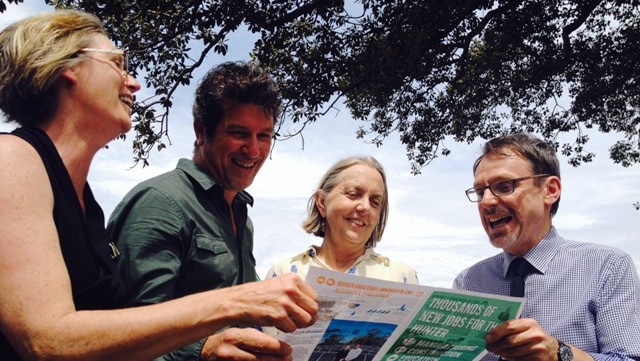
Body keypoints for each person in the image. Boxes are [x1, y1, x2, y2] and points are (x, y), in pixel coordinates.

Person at [0, 10, 317, 361]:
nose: (133, 82)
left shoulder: (84, 203)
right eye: (118, 63)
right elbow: (46, 341)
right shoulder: (11, 157)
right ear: (67, 67)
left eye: (264, 135)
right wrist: (233, 306)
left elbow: (113, 332)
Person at [107, 60, 301, 360]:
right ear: (201, 131)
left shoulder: (240, 215)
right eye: (239, 133)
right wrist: (204, 350)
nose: (253, 150)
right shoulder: (160, 203)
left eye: (264, 136)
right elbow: (121, 340)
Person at [453, 132, 640, 361]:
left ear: (550, 190)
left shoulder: (606, 267)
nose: (487, 202)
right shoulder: (469, 282)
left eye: (504, 186)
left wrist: (558, 354)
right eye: (481, 192)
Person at [266, 155, 419, 284]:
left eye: (375, 202)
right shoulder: (283, 274)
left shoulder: (401, 277)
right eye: (353, 194)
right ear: (321, 202)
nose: (365, 207)